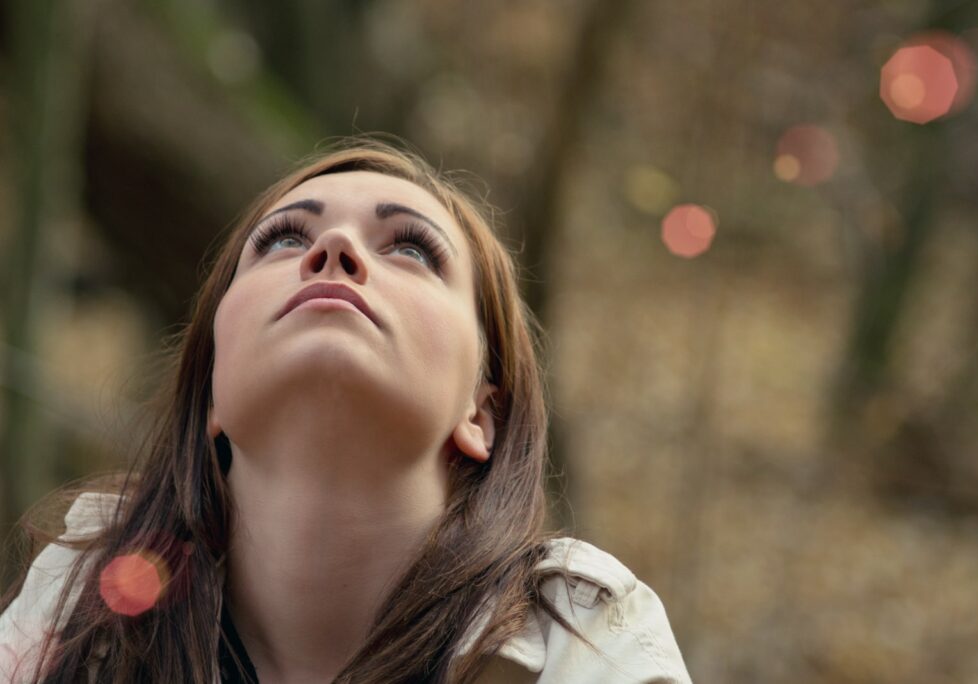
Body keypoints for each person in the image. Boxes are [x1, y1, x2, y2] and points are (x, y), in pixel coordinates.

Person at [0, 137, 692, 683]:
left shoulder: (581, 642)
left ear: (482, 414)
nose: (335, 250)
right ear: (210, 390)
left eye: (413, 248)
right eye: (283, 240)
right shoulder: (77, 617)